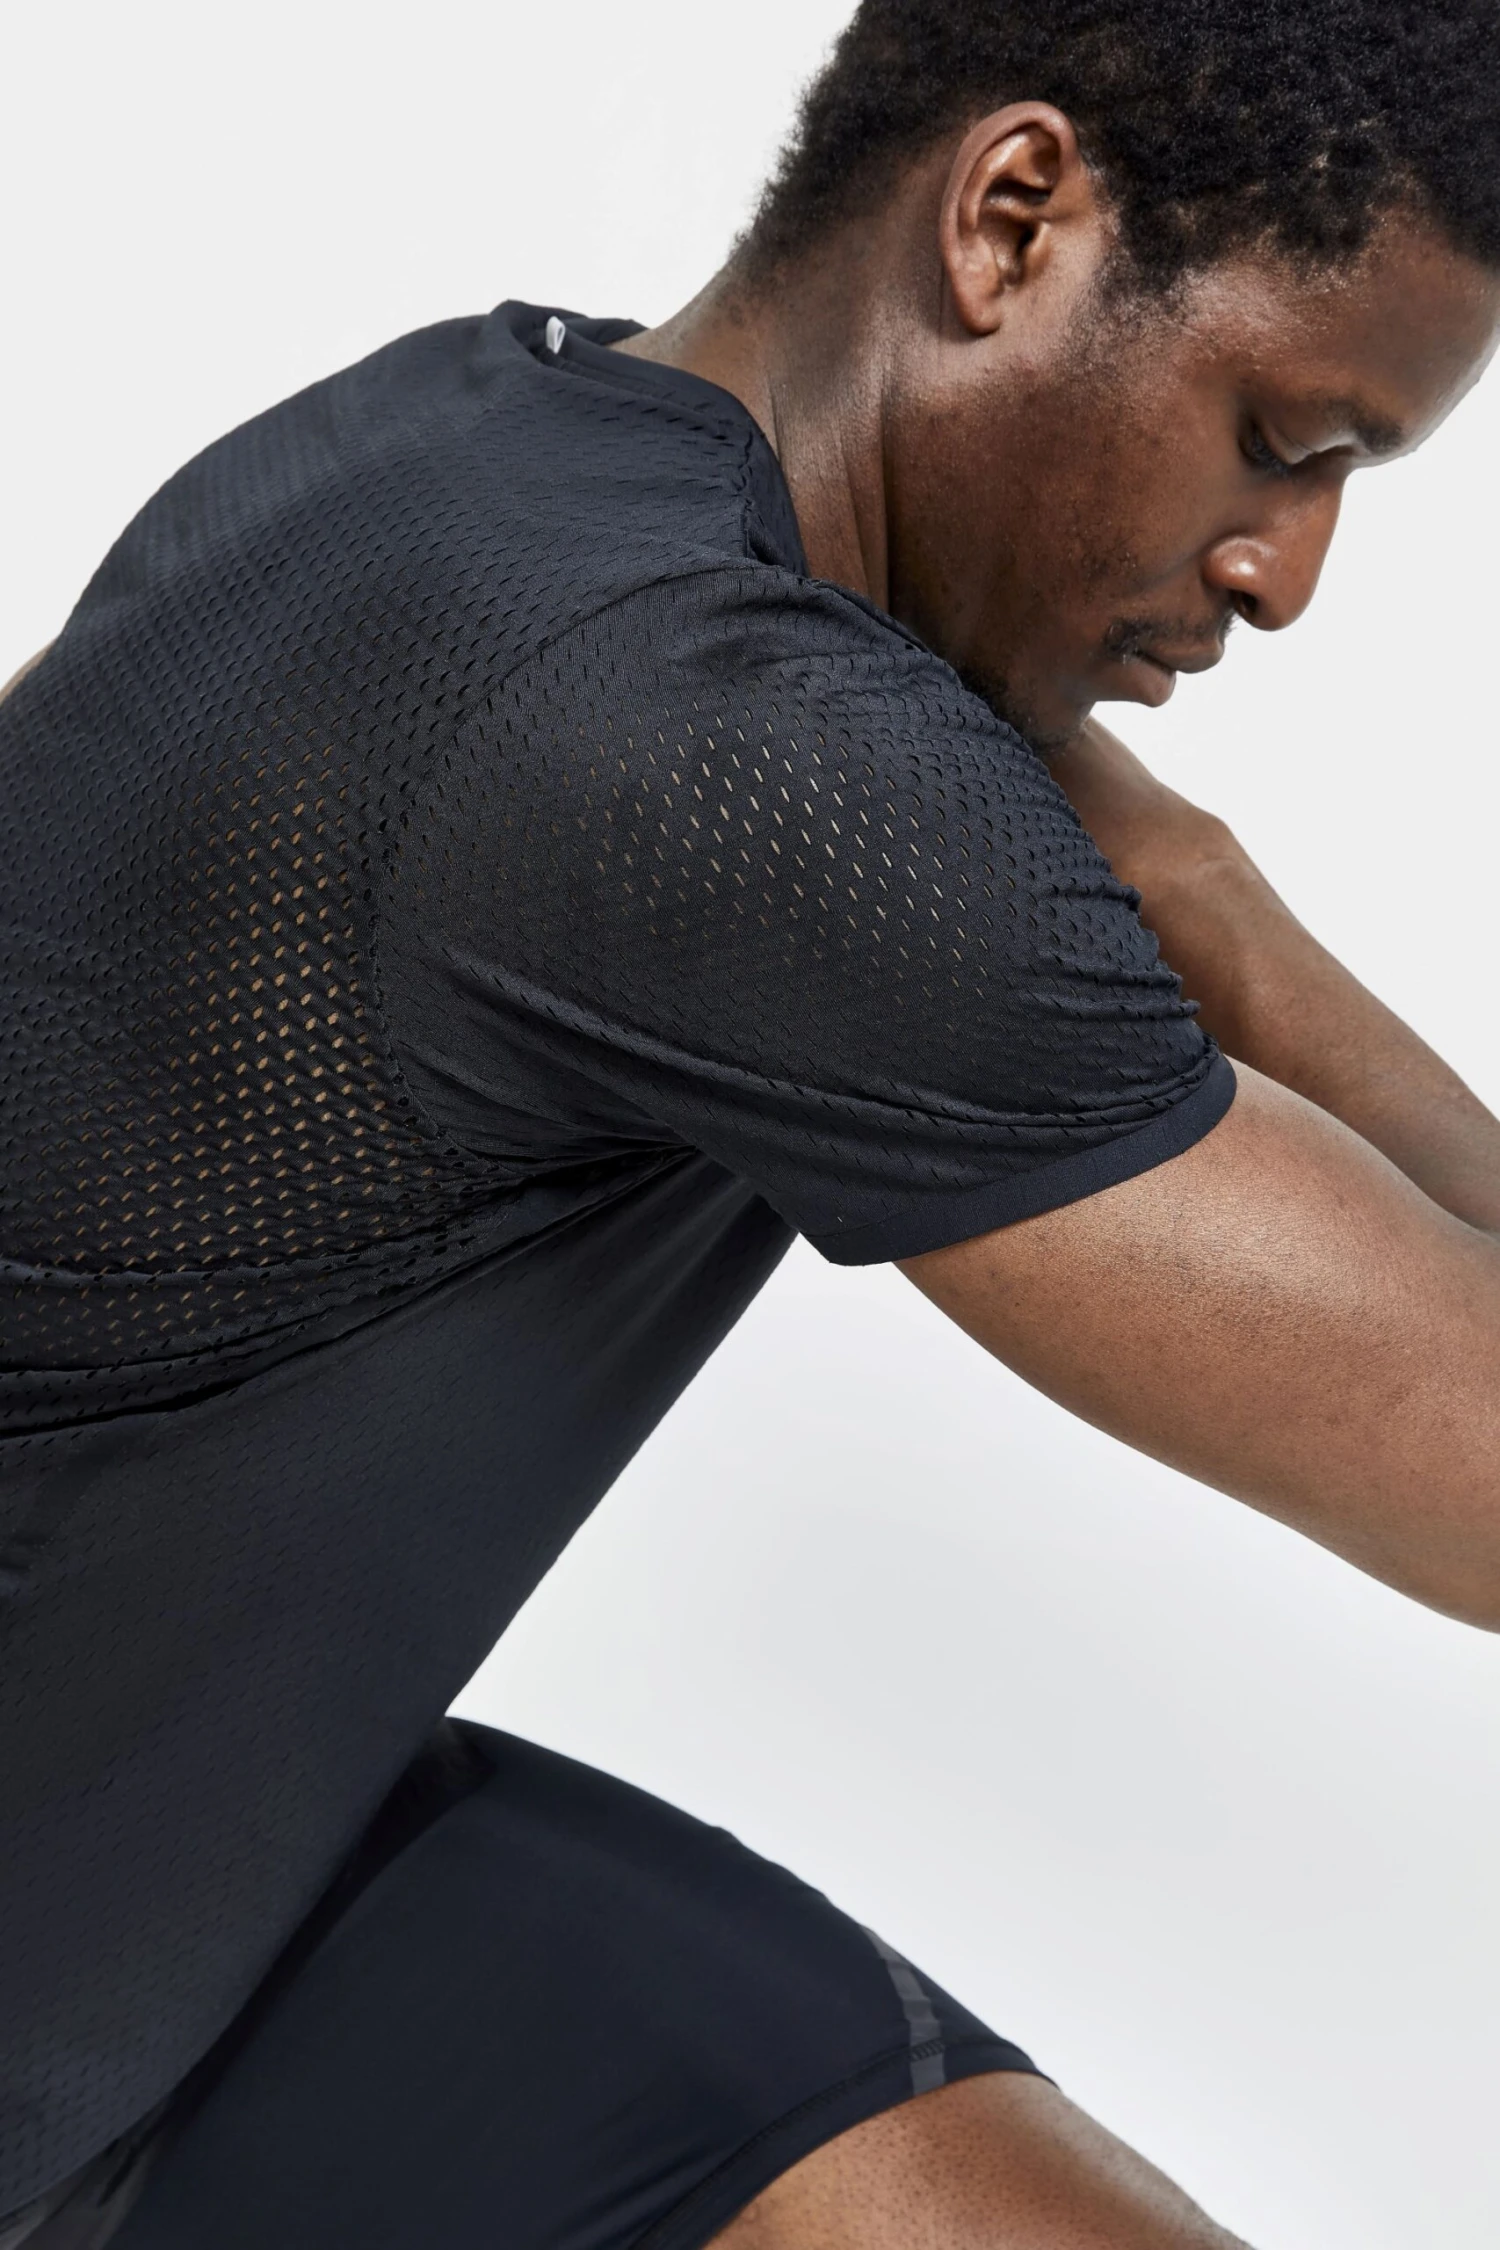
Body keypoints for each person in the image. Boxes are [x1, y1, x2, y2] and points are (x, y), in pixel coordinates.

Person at [3, 1, 1499, 2242]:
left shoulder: (463, 425)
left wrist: (1174, 867)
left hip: (196, 1827)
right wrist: (1198, 896)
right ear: (1012, 220)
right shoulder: (731, 755)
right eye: (1284, 440)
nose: (1285, 571)